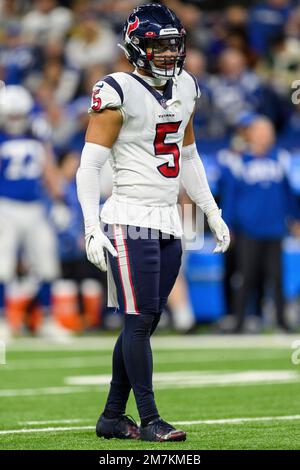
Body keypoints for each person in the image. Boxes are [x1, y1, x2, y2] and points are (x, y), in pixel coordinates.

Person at [76, 3, 230, 442]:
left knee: (142, 321)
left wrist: (212, 212)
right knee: (140, 321)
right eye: (159, 46)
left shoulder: (187, 86)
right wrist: (91, 226)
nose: (169, 55)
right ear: (136, 47)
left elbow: (189, 156)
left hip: (169, 219)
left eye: (174, 45)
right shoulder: (116, 90)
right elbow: (89, 167)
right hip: (128, 218)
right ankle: (149, 419)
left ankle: (110, 416)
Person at [0, 85, 68, 340]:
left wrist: (60, 200)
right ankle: (3, 320)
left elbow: (48, 167)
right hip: (5, 206)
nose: (17, 121)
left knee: (47, 263)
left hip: (35, 208)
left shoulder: (37, 134)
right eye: (12, 116)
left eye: (20, 115)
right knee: (2, 265)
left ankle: (48, 319)